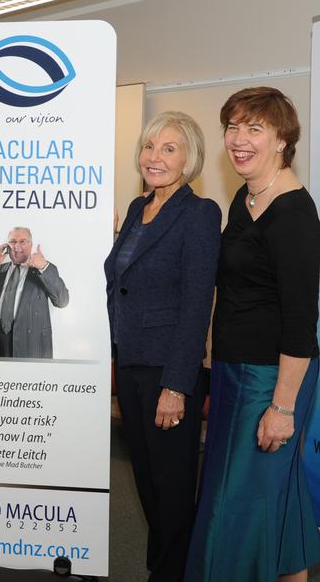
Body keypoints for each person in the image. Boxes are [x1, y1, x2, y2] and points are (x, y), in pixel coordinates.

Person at [185, 87, 320, 582]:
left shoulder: (296, 216)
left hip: (270, 380)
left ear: (282, 139)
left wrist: (282, 408)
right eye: (233, 127)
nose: (239, 140)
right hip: (232, 372)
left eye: (255, 129)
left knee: (241, 500)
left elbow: (301, 324)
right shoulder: (247, 198)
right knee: (274, 500)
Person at [104, 111, 221, 582]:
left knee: (171, 485)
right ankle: (169, 562)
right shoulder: (137, 209)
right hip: (129, 361)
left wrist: (177, 384)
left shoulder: (199, 213)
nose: (155, 157)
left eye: (168, 149)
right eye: (150, 147)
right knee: (148, 479)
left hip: (168, 369)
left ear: (189, 158)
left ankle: (172, 573)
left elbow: (197, 303)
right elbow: (123, 281)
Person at [0, 227, 69, 358]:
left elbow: (62, 301)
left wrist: (43, 267)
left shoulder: (42, 270)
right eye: (13, 241)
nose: (17, 246)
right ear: (7, 245)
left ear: (31, 245)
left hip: (29, 344)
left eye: (23, 241)